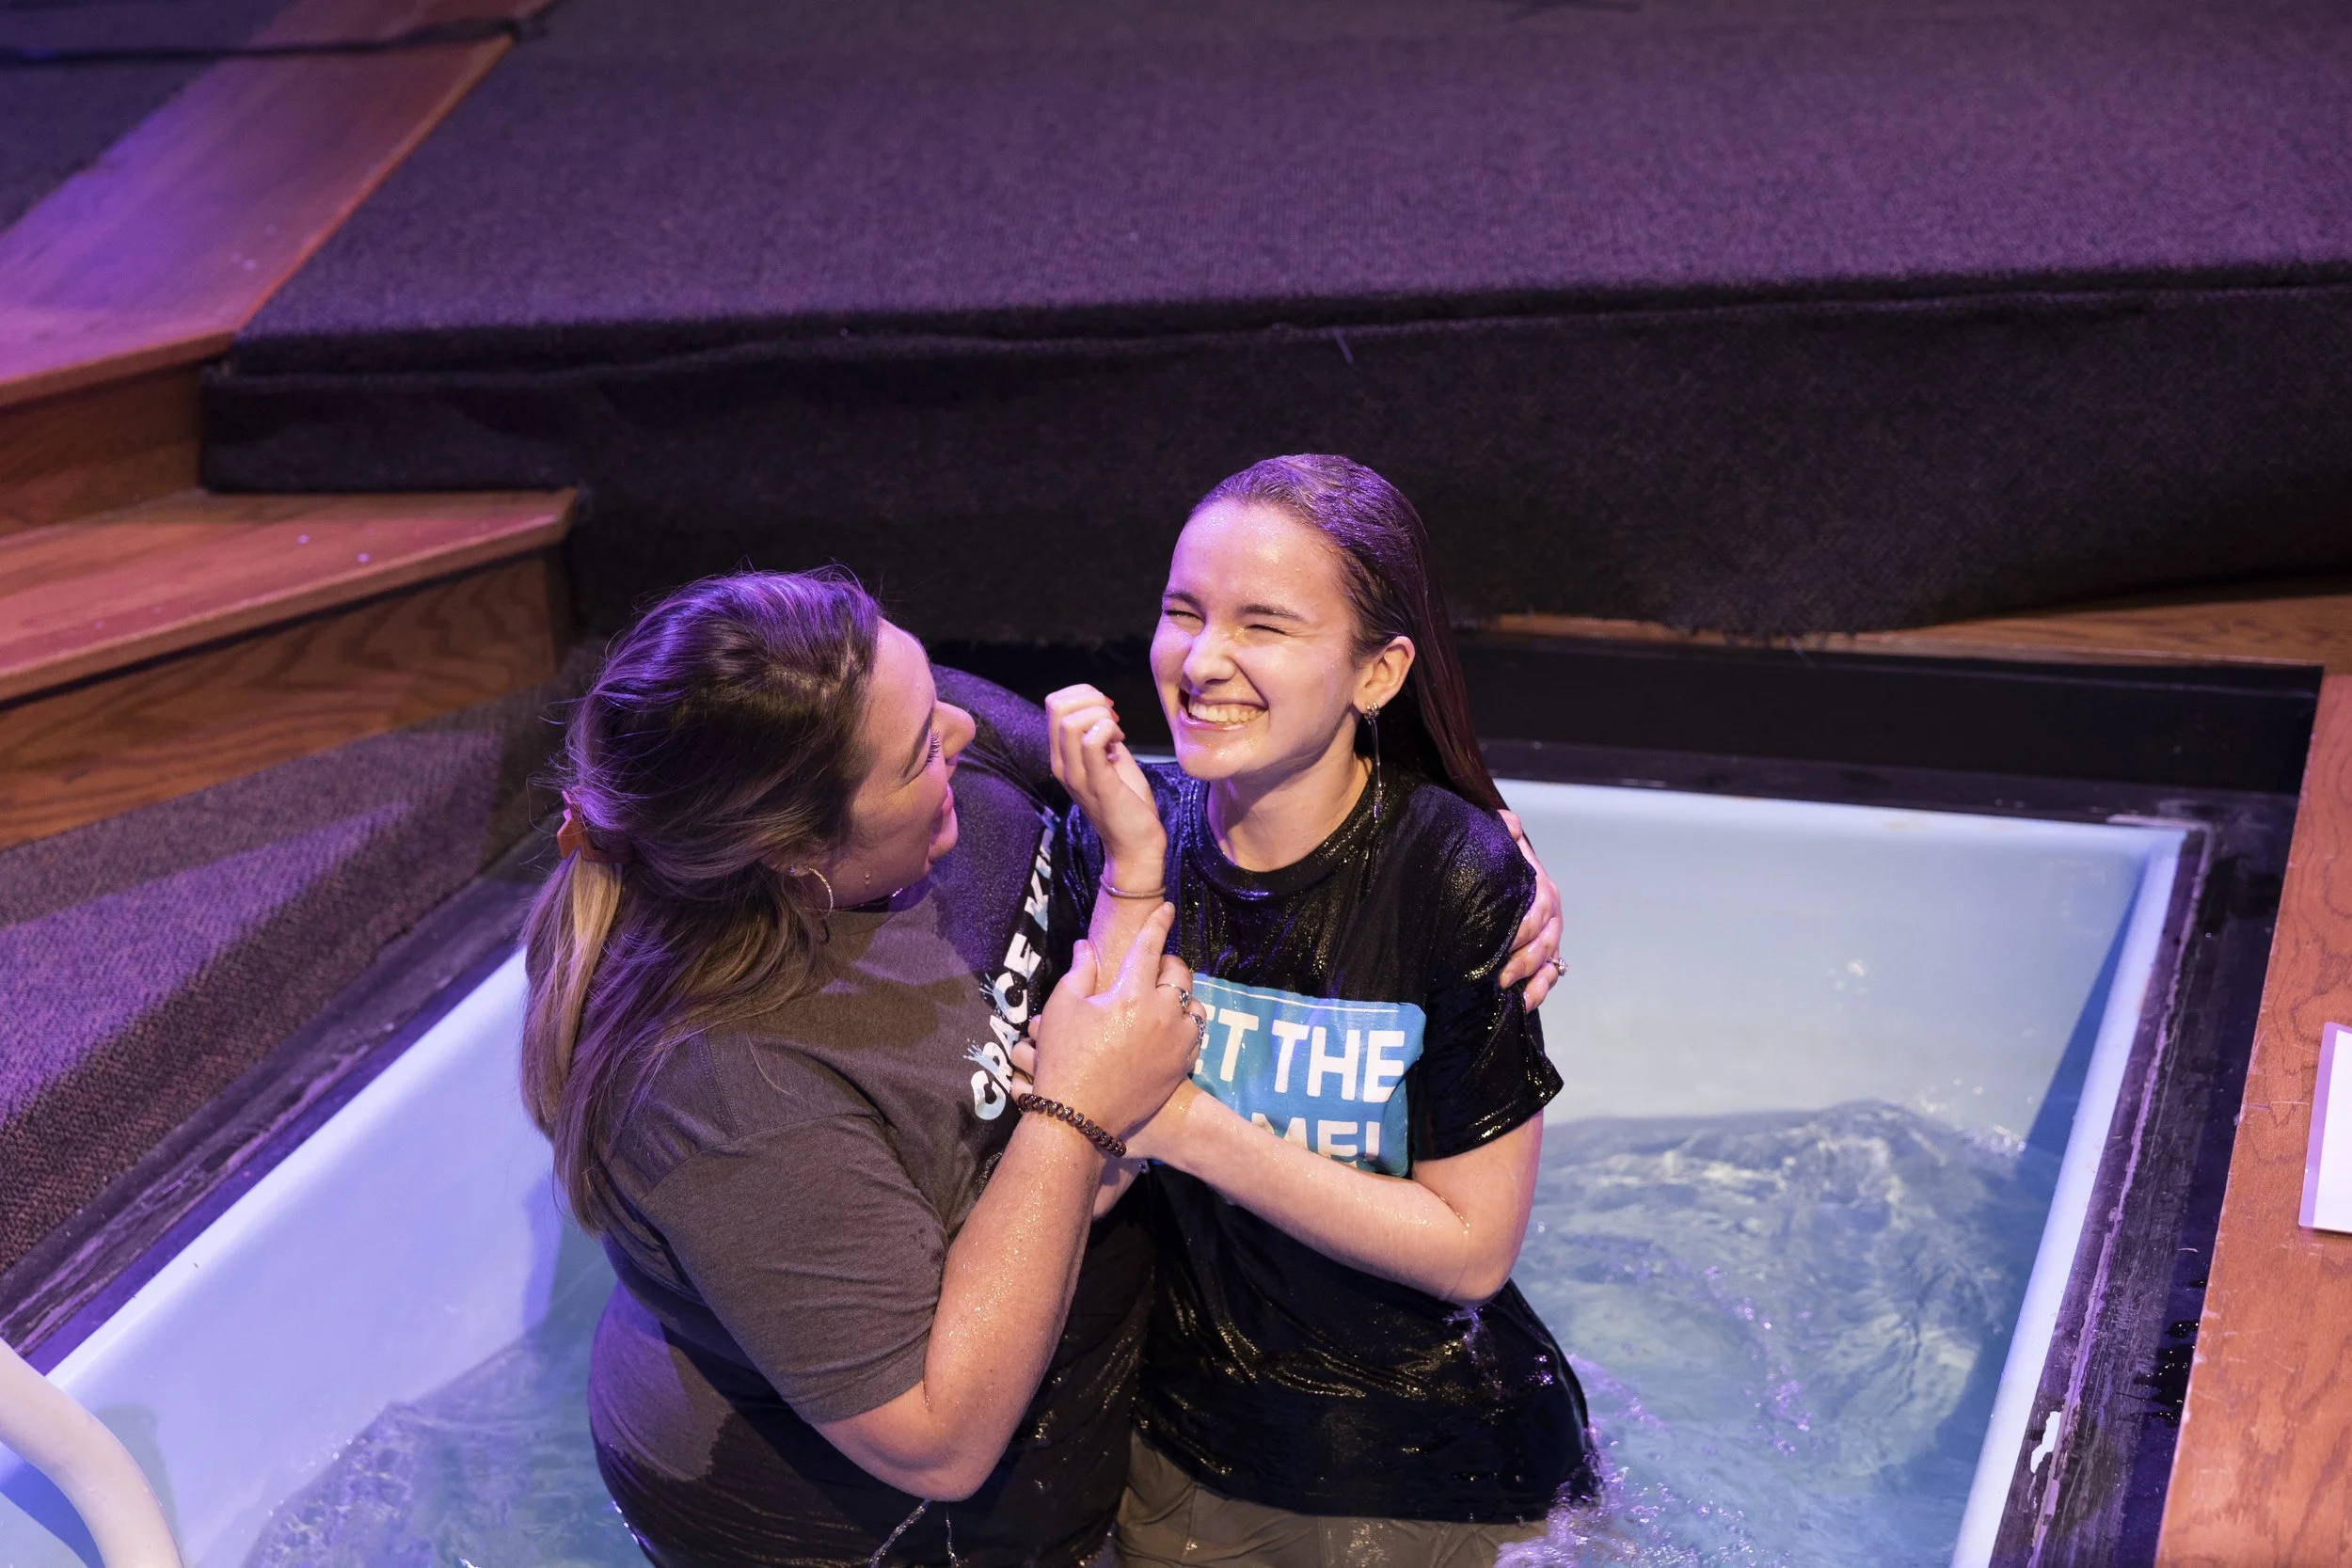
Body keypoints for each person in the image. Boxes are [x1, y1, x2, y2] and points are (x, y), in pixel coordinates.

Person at [518, 569, 1207, 1567]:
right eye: (922, 750)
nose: (965, 726)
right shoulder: (721, 1080)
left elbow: (1160, 810)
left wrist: (1468, 842)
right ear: (794, 850)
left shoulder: (875, 707)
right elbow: (937, 1439)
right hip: (865, 1530)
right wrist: (1076, 1116)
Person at [1043, 454, 1597, 1566]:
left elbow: (1472, 1250)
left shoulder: (1448, 873)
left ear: (1377, 672)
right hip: (1177, 1444)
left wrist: (1182, 1122)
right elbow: (1081, 1166)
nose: (1203, 659)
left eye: (1264, 625)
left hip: (1423, 1465)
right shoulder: (1118, 830)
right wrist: (1129, 873)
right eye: (1183, 611)